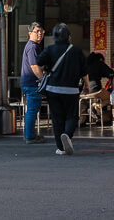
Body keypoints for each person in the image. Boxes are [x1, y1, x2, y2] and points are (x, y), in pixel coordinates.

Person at [35, 23, 89, 156]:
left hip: (53, 89)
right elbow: (84, 71)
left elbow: (39, 61)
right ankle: (67, 134)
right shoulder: (76, 51)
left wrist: (46, 70)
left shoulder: (50, 49)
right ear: (68, 36)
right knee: (72, 116)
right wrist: (87, 86)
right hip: (71, 90)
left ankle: (61, 148)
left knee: (57, 119)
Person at [20, 22, 45, 144]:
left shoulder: (33, 46)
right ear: (30, 33)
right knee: (32, 110)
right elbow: (34, 66)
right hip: (32, 83)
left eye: (41, 31)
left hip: (29, 83)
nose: (40, 34)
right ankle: (29, 136)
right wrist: (43, 79)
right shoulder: (32, 47)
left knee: (32, 109)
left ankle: (29, 134)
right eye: (37, 31)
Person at [80, 52, 114, 127]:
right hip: (96, 91)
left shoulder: (84, 65)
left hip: (84, 92)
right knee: (112, 98)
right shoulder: (99, 63)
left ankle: (81, 120)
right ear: (100, 59)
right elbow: (111, 73)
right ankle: (97, 106)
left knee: (83, 102)